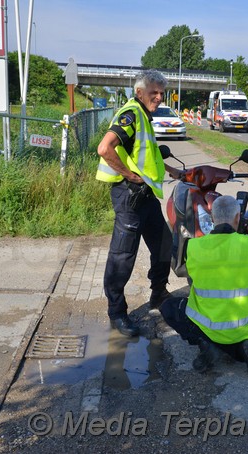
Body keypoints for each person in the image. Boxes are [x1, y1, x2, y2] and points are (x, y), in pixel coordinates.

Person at [96, 69, 180, 337]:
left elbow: (147, 152)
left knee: (164, 242)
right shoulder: (131, 114)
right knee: (123, 256)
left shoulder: (145, 116)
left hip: (145, 196)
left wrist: (171, 170)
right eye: (153, 92)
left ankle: (158, 293)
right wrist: (130, 175)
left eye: (161, 93)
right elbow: (104, 148)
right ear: (139, 92)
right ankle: (117, 313)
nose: (158, 97)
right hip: (128, 195)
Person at [159, 196, 248, 377]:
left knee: (167, 306)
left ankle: (207, 345)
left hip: (208, 327)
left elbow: (188, 273)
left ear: (212, 218)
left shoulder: (194, 247)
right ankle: (245, 348)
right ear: (238, 218)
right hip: (242, 327)